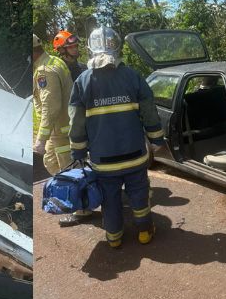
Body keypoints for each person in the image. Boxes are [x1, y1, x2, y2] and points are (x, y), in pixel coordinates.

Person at [68, 26, 166, 248]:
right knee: (139, 196)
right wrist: (157, 139)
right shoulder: (133, 76)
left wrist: (78, 151)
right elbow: (149, 111)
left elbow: (76, 122)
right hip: (135, 156)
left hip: (104, 162)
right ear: (118, 46)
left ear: (90, 49)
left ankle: (114, 238)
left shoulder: (83, 81)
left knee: (110, 201)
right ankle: (144, 233)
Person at [32, 33, 73, 176]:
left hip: (61, 131)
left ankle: (76, 194)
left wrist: (41, 139)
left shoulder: (45, 71)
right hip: (58, 130)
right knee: (50, 161)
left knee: (69, 170)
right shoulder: (54, 61)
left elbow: (51, 107)